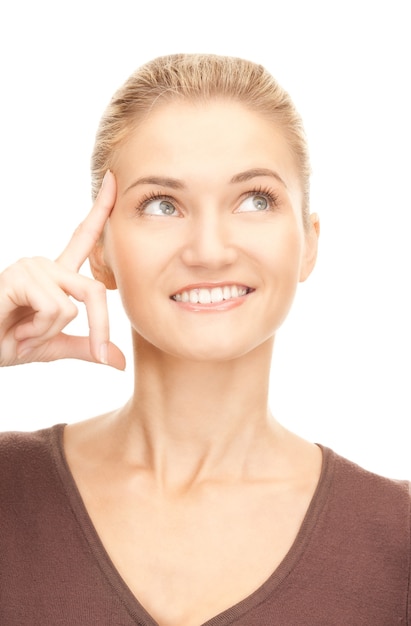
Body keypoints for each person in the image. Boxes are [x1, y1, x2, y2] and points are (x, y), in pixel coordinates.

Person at [0, 54, 409, 626]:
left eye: (255, 199)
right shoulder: (7, 488)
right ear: (100, 252)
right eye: (162, 205)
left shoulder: (397, 538)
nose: (210, 249)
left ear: (309, 243)